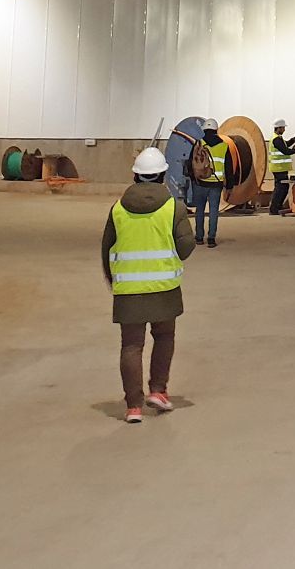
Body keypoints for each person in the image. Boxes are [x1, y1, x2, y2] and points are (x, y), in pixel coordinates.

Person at [102, 147, 196, 425]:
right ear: (164, 175)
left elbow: (106, 248)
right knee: (164, 337)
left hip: (128, 291)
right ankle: (158, 390)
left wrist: (114, 280)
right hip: (164, 287)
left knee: (131, 345)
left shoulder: (117, 209)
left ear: (135, 176)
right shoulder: (173, 207)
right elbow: (187, 245)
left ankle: (133, 406)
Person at [190, 119, 228, 248]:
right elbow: (228, 167)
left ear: (204, 130)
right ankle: (211, 238)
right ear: (216, 130)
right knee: (213, 212)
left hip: (200, 183)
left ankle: (199, 237)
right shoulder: (224, 146)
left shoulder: (199, 143)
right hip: (216, 184)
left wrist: (193, 179)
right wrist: (230, 186)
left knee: (199, 210)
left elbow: (191, 163)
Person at [266, 119, 295, 216]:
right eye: (283, 128)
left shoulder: (277, 138)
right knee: (281, 188)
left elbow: (285, 144)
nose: (284, 130)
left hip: (279, 168)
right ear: (278, 128)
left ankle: (276, 207)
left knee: (281, 187)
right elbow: (286, 150)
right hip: (279, 168)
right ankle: (274, 208)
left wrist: (293, 140)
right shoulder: (276, 139)